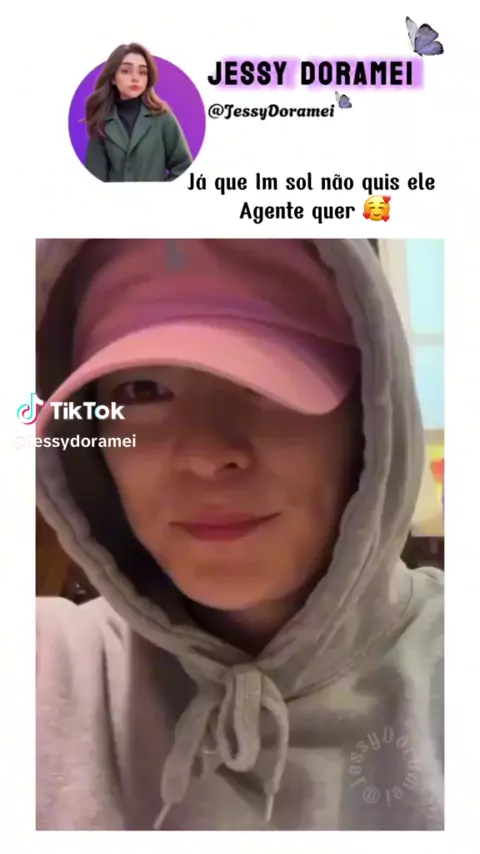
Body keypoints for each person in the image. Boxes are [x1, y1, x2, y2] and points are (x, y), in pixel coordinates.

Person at [35, 239, 444, 831]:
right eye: (142, 391)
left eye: (268, 380)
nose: (206, 454)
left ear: (369, 420)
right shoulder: (47, 667)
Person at [83, 44, 193, 182]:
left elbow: (184, 167)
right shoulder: (101, 120)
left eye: (142, 72)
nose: (135, 78)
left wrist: (163, 193)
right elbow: (94, 178)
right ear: (113, 78)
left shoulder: (162, 117)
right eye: (126, 71)